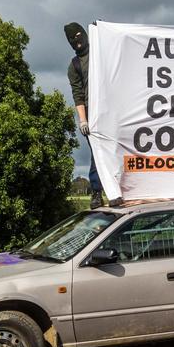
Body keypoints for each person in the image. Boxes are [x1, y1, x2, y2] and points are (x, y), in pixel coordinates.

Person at [64, 22, 104, 209]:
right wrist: (83, 120)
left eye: (79, 35)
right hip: (91, 112)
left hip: (111, 106)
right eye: (72, 39)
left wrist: (104, 31)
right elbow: (77, 94)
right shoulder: (74, 66)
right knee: (97, 152)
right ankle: (97, 192)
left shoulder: (101, 50)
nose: (77, 41)